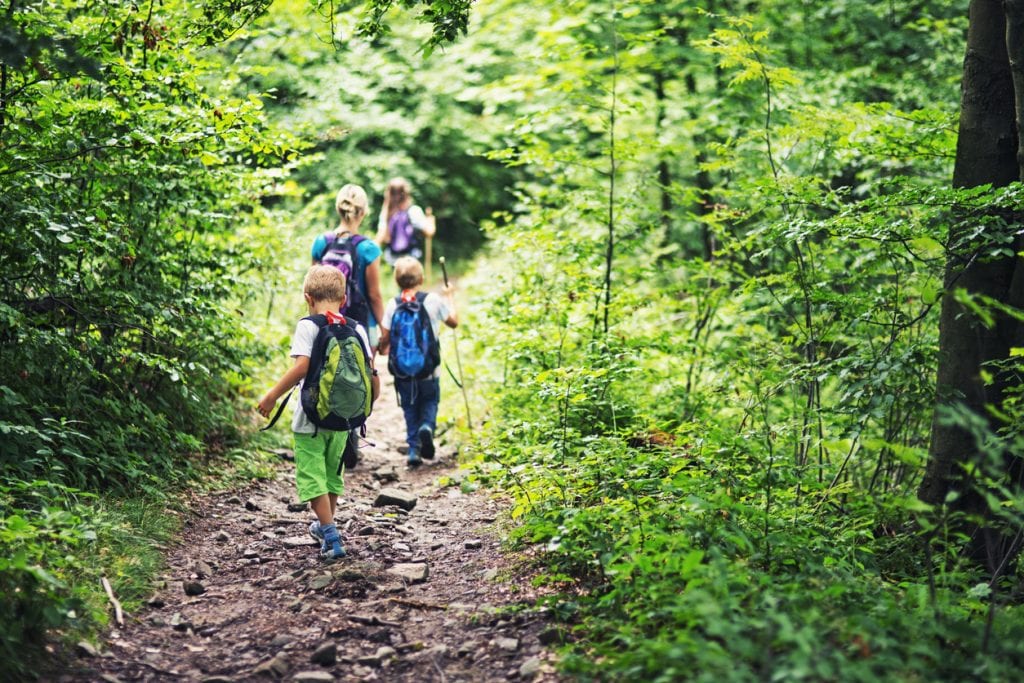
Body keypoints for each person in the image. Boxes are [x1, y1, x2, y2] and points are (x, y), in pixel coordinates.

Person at [258, 265, 380, 561]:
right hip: (343, 420)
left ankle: (330, 533)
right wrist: (368, 406)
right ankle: (326, 525)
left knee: (312, 476)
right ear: (343, 299)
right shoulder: (358, 328)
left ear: (307, 297)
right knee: (331, 474)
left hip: (309, 420)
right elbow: (372, 373)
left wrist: (272, 396)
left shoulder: (308, 326)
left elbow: (301, 367)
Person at [377, 256, 457, 467]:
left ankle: (414, 450)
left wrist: (383, 348)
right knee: (430, 401)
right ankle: (427, 428)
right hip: (429, 370)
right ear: (421, 278)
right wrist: (450, 297)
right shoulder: (432, 300)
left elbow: (385, 339)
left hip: (403, 371)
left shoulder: (393, 304)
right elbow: (454, 322)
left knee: (409, 408)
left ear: (396, 281)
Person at [311, 184, 385, 350]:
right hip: (361, 325)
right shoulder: (368, 248)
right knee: (364, 373)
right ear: (364, 212)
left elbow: (311, 289)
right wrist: (385, 330)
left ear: (338, 208)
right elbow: (374, 295)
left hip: (326, 324)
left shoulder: (321, 242)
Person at [375, 177, 436, 266]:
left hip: (393, 261)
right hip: (412, 259)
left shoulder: (386, 214)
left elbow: (382, 237)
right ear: (407, 193)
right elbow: (429, 232)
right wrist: (431, 222)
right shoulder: (414, 211)